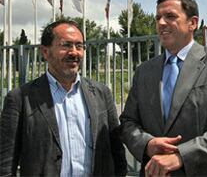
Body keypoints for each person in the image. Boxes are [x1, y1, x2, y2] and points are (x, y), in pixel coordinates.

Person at [120, 0, 207, 176]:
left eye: (170, 16)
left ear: (193, 23)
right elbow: (128, 122)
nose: (161, 23)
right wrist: (147, 144)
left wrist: (181, 155)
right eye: (158, 18)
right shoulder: (144, 71)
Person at [0, 20, 127, 176]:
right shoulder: (20, 99)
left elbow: (117, 152)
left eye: (79, 46)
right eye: (65, 45)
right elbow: (5, 164)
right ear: (45, 52)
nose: (74, 52)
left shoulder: (101, 93)